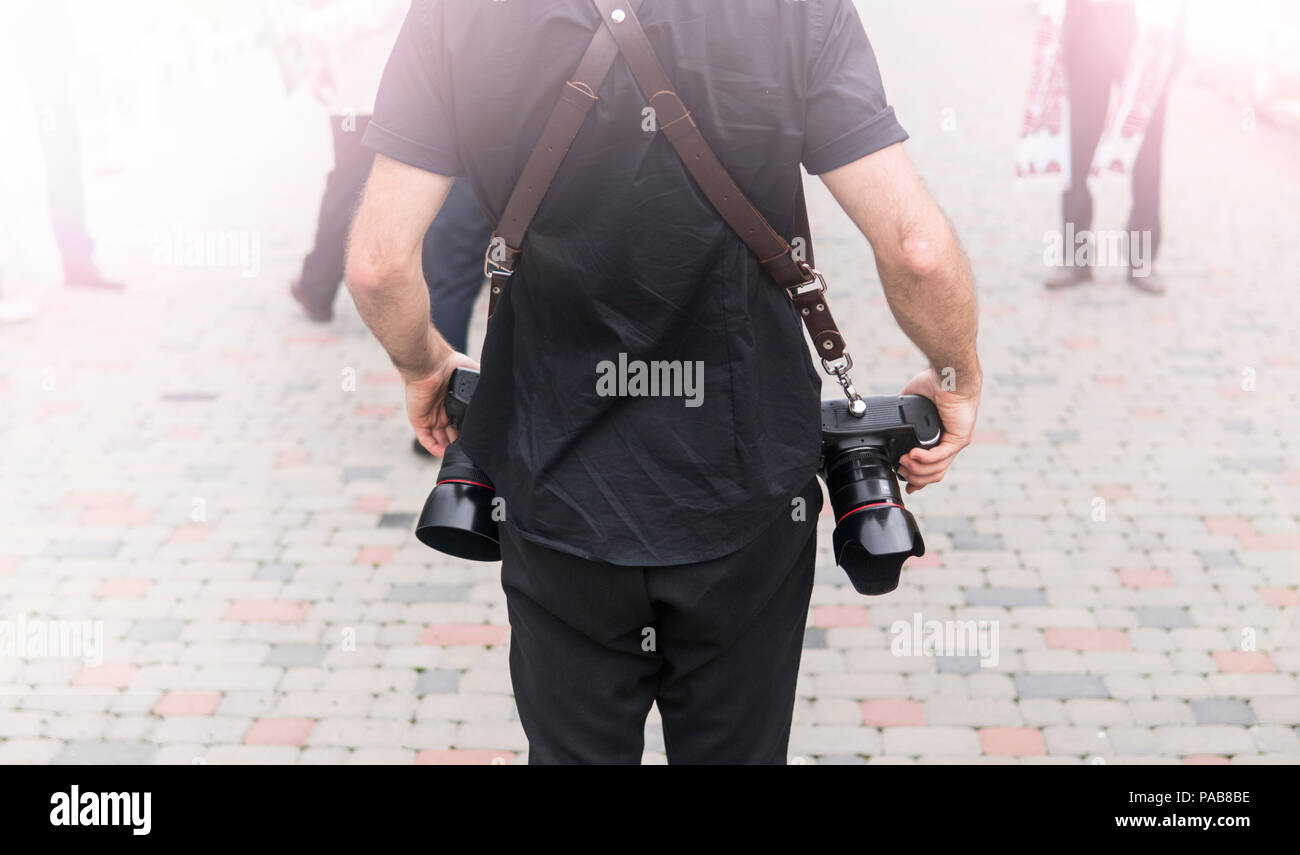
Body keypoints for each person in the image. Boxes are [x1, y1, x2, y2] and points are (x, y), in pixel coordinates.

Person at [346, 0, 981, 764]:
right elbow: (917, 248)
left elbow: (379, 262)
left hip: (553, 488)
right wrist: (957, 373)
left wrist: (424, 363)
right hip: (747, 493)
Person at [1041, 0, 1182, 294]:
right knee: (1079, 146)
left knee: (1147, 151)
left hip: (1146, 32)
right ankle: (1075, 257)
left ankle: (1142, 261)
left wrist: (1176, 43)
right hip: (1088, 29)